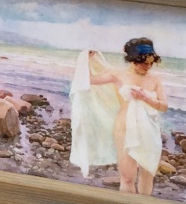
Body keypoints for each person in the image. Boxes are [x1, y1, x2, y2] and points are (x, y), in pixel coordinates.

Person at [70, 37, 169, 195]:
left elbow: (164, 106)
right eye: (144, 63)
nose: (148, 67)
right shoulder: (118, 75)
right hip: (124, 128)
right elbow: (88, 80)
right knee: (127, 178)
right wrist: (85, 60)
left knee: (147, 175)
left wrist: (146, 98)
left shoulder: (155, 80)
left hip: (149, 130)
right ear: (133, 59)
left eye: (151, 63)